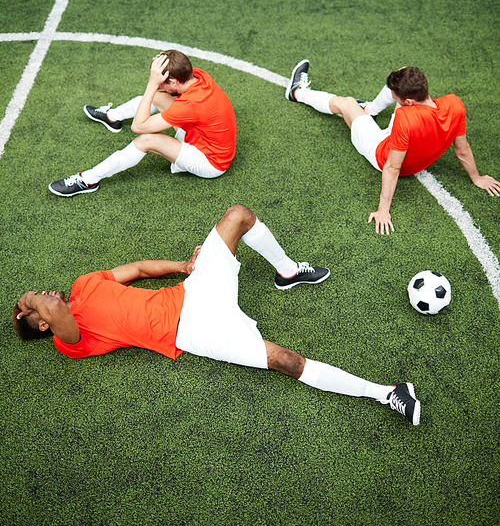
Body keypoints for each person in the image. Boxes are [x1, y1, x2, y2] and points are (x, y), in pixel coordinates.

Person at [13, 204, 419, 425]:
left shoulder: (86, 283)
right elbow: (51, 307)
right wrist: (27, 300)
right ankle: (388, 394)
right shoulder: (71, 340)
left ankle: (288, 271)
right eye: (33, 306)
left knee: (238, 215)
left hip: (193, 290)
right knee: (285, 360)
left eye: (35, 297)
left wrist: (184, 267)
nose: (42, 296)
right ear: (43, 325)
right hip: (195, 331)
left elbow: (135, 270)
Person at [285, 60, 500, 234]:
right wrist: (477, 178)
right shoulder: (454, 104)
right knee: (402, 72)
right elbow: (462, 150)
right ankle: (369, 109)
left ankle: (296, 92)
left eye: (396, 96)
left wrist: (383, 210)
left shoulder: (405, 119)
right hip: (407, 139)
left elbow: (392, 168)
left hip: (378, 150)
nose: (393, 96)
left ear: (408, 103)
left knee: (347, 104)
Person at [48, 51, 237, 196]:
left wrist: (151, 84)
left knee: (146, 139)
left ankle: (88, 180)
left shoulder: (189, 105)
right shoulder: (197, 76)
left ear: (173, 80)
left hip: (211, 162)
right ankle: (113, 117)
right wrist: (164, 67)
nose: (159, 84)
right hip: (203, 138)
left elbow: (138, 127)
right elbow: (169, 93)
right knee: (158, 96)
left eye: (163, 81)